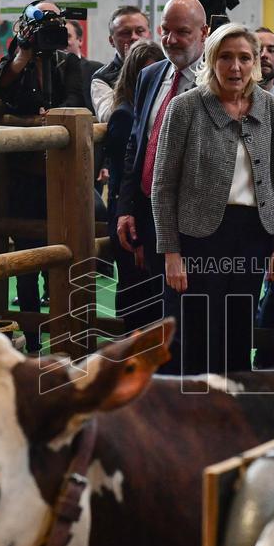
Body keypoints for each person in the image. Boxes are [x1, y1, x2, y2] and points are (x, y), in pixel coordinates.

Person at [153, 23, 274, 375]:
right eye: (226, 57)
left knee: (238, 332)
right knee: (195, 334)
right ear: (211, 60)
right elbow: (163, 184)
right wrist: (171, 252)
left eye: (245, 58)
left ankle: (234, 409)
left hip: (253, 235)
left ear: (256, 62)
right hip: (198, 236)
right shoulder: (186, 107)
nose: (236, 67)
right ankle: (195, 413)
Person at [0, 0, 85, 351]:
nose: (50, 26)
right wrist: (23, 54)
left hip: (59, 176)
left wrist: (54, 115)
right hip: (23, 178)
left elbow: (76, 99)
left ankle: (67, 337)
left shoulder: (68, 61)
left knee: (64, 257)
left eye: (55, 19)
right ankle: (31, 339)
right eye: (43, 20)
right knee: (26, 263)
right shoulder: (18, 57)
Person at [114, 0, 208, 334]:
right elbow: (136, 146)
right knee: (156, 319)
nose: (170, 40)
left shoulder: (219, 81)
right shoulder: (150, 75)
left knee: (195, 322)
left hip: (201, 224)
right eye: (165, 30)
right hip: (150, 216)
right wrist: (126, 208)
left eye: (182, 31)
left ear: (204, 32)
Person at [104, 39, 165, 334]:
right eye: (146, 74)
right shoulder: (125, 115)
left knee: (151, 297)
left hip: (148, 221)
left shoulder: (147, 114)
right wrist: (139, 238)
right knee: (136, 295)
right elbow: (126, 177)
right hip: (130, 220)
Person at [91, 5, 151, 123]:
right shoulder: (102, 78)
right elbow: (108, 116)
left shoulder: (165, 67)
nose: (134, 37)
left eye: (140, 31)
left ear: (149, 34)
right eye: (125, 33)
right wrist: (131, 68)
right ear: (111, 41)